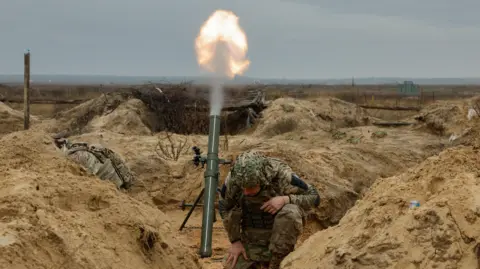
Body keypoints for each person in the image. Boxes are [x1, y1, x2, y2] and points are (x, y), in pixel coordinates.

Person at [219, 150, 320, 269]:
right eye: (243, 188)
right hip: (250, 240)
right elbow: (224, 207)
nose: (246, 192)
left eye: (251, 187)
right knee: (230, 265)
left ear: (262, 179)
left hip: (280, 240)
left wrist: (285, 199)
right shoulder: (234, 179)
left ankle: (277, 261)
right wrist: (235, 241)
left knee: (290, 212)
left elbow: (315, 198)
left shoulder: (282, 175)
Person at [53, 137, 135, 189]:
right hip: (121, 177)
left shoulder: (76, 156)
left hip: (115, 181)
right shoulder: (78, 149)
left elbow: (86, 179)